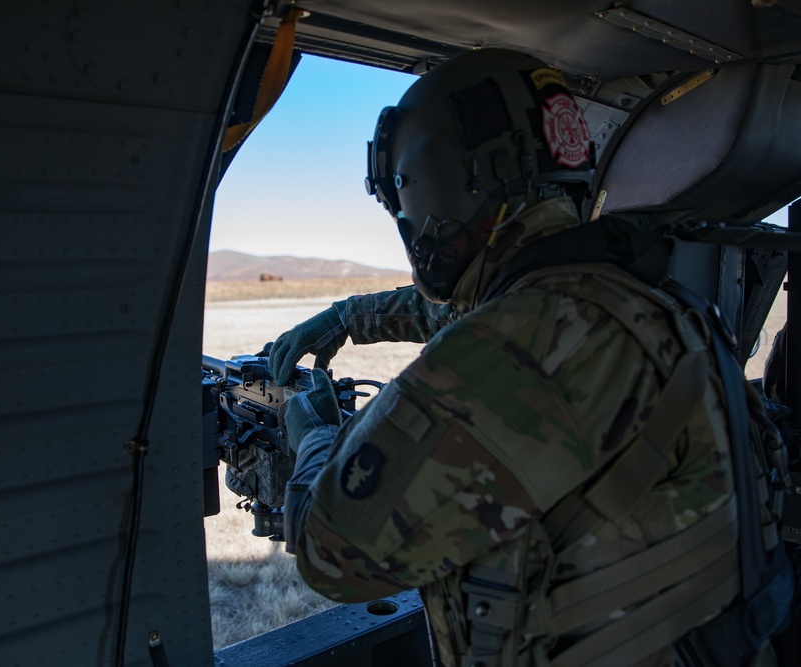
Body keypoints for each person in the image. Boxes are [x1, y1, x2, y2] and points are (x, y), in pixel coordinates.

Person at [271, 49, 791, 666]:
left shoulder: (523, 341)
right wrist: (348, 319)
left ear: (434, 185)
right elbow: (458, 306)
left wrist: (314, 437)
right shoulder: (631, 294)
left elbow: (333, 555)